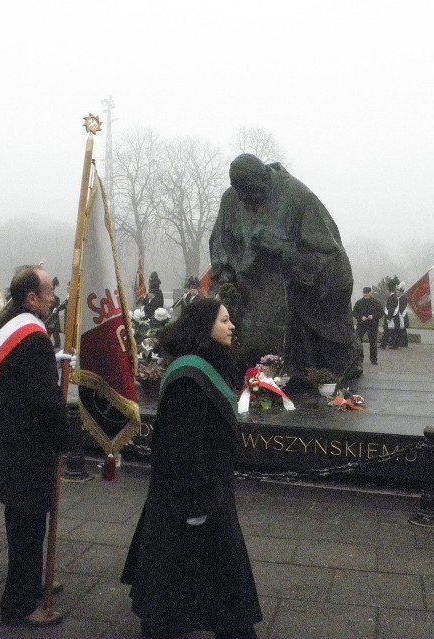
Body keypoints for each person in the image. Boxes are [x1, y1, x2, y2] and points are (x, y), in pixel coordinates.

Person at [121, 298, 261, 639]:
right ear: (204, 326)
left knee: (178, 568)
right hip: (197, 493)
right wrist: (196, 500)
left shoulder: (200, 368)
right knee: (217, 572)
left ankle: (164, 622)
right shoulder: (190, 377)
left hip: (204, 489)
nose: (232, 327)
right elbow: (185, 447)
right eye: (224, 320)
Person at [209, 153, 360, 388]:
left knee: (302, 361)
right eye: (243, 195)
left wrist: (282, 249)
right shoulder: (231, 199)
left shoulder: (299, 198)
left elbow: (330, 259)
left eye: (253, 193)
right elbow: (220, 243)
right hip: (248, 296)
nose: (248, 201)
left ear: (265, 179)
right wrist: (226, 274)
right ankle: (253, 378)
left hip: (291, 293)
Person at [0, 266, 70, 627]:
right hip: (25, 453)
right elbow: (45, 402)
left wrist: (53, 359)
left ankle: (34, 581)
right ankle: (18, 604)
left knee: (26, 525)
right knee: (28, 530)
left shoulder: (13, 327)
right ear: (31, 298)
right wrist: (65, 438)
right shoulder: (32, 338)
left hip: (10, 446)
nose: (54, 297)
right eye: (48, 291)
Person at [352, 286, 383, 365]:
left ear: (370, 293)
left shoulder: (376, 302)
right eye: (364, 293)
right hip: (361, 325)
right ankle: (359, 359)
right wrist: (360, 317)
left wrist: (373, 316)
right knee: (358, 342)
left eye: (367, 293)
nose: (365, 294)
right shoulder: (359, 302)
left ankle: (373, 359)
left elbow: (381, 313)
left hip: (372, 325)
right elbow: (354, 312)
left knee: (373, 342)